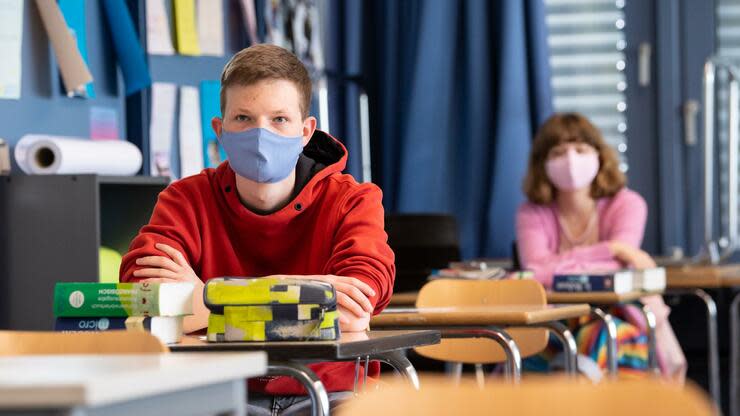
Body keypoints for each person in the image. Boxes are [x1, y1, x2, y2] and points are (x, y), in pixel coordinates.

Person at [119, 44, 395, 413]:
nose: (260, 134)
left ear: (306, 131)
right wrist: (310, 296)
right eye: (244, 118)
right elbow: (145, 296)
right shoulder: (185, 200)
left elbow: (353, 308)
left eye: (279, 119)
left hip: (331, 397)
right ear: (220, 129)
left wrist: (205, 300)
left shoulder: (353, 201)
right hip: (217, 395)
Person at [516, 112, 686, 381]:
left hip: (625, 319)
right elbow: (534, 269)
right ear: (542, 163)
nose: (571, 159)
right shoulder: (532, 213)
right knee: (535, 348)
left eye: (580, 149)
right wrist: (611, 249)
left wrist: (557, 265)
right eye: (558, 152)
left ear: (599, 155)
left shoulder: (628, 204)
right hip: (555, 320)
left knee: (597, 339)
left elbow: (616, 271)